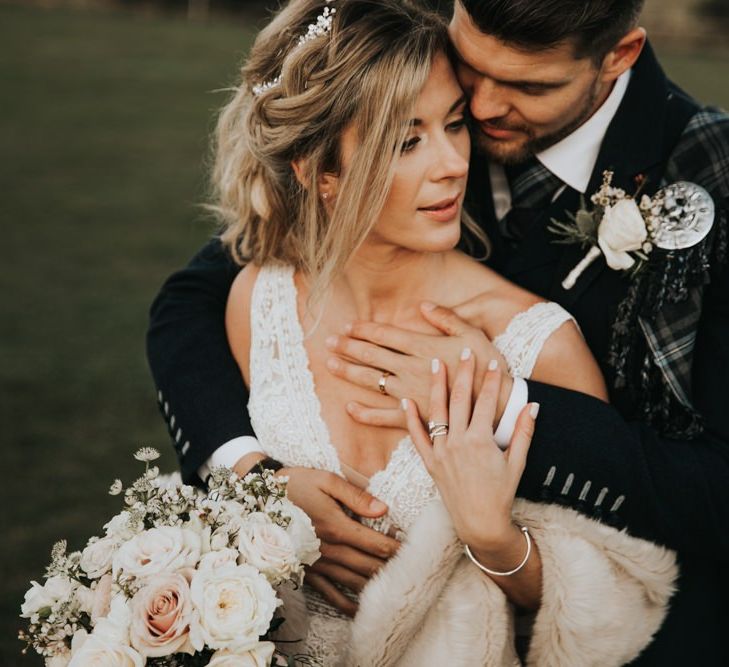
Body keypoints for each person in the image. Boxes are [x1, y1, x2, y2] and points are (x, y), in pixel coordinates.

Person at [147, 0, 729, 663]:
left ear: (617, 57)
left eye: (527, 86)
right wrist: (251, 476)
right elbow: (195, 296)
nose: (478, 114)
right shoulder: (414, 92)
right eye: (469, 71)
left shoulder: (705, 170)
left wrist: (500, 406)